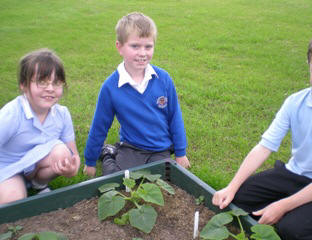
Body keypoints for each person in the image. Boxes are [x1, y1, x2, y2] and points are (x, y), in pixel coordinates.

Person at [212, 25, 312, 240]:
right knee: (237, 200)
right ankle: (290, 202)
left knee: (290, 231)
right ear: (308, 66)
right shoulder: (295, 102)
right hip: (294, 173)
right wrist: (232, 186)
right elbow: (264, 147)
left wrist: (282, 206)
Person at [83, 12, 190, 177]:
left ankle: (161, 167)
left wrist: (181, 153)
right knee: (118, 181)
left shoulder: (164, 79)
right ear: (119, 47)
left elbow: (175, 116)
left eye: (148, 46)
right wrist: (90, 161)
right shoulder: (110, 87)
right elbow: (99, 126)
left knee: (164, 179)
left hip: (159, 148)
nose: (143, 53)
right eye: (135, 46)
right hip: (131, 147)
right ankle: (108, 154)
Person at [0, 48, 80, 205]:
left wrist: (72, 168)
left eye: (56, 82)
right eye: (42, 82)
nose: (50, 88)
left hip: (35, 165)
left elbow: (74, 154)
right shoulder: (12, 114)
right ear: (23, 84)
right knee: (13, 201)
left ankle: (39, 183)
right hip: (8, 168)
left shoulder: (62, 114)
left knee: (63, 153)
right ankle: (16, 186)